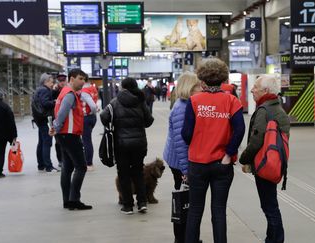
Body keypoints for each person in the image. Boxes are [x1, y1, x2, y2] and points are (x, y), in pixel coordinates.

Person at [181, 58, 245, 243]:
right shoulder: (231, 101)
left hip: (197, 163)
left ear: (202, 79)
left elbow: (186, 133)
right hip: (221, 163)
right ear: (223, 79)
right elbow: (240, 130)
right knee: (219, 211)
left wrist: (199, 142)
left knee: (195, 210)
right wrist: (228, 153)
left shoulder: (194, 101)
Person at [239, 74, 290, 243]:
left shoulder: (264, 111)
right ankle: (271, 238)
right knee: (270, 203)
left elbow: (256, 142)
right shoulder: (279, 109)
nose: (252, 90)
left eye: (256, 87)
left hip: (264, 164)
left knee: (269, 206)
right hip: (277, 162)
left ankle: (276, 239)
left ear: (266, 91)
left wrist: (243, 159)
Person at [100, 77, 154, 215]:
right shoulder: (140, 102)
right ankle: (142, 203)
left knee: (123, 174)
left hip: (121, 145)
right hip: (139, 144)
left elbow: (104, 117)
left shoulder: (115, 102)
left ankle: (128, 205)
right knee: (138, 172)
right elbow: (149, 121)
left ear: (123, 87)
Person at [163, 72, 202, 243]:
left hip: (180, 161)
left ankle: (187, 237)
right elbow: (180, 143)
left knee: (186, 202)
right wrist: (186, 171)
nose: (201, 89)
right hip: (180, 163)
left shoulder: (187, 105)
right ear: (189, 88)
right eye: (197, 86)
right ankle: (182, 238)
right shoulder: (181, 108)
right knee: (183, 203)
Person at [49, 69, 92, 210]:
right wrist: (56, 126)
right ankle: (74, 200)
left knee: (67, 167)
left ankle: (67, 200)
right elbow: (62, 113)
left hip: (63, 134)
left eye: (84, 79)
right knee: (81, 167)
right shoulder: (70, 95)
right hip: (69, 134)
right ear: (71, 79)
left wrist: (55, 128)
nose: (83, 81)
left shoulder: (64, 93)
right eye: (80, 78)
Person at [32, 73, 59, 172]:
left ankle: (41, 164)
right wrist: (55, 102)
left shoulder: (39, 89)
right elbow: (45, 103)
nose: (52, 84)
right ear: (46, 82)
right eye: (51, 82)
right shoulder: (44, 90)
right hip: (45, 119)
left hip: (40, 119)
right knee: (47, 142)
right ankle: (48, 166)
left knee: (41, 142)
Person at [80, 74, 98, 171]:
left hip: (86, 117)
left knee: (86, 141)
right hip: (92, 118)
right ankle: (88, 161)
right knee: (87, 140)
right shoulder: (93, 88)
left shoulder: (84, 91)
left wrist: (92, 111)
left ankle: (88, 163)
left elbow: (93, 106)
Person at [52, 74, 67, 168]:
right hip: (56, 117)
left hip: (66, 119)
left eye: (63, 81)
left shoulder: (68, 91)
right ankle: (60, 160)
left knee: (67, 140)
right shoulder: (54, 92)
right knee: (58, 141)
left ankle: (66, 158)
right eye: (60, 81)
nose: (61, 82)